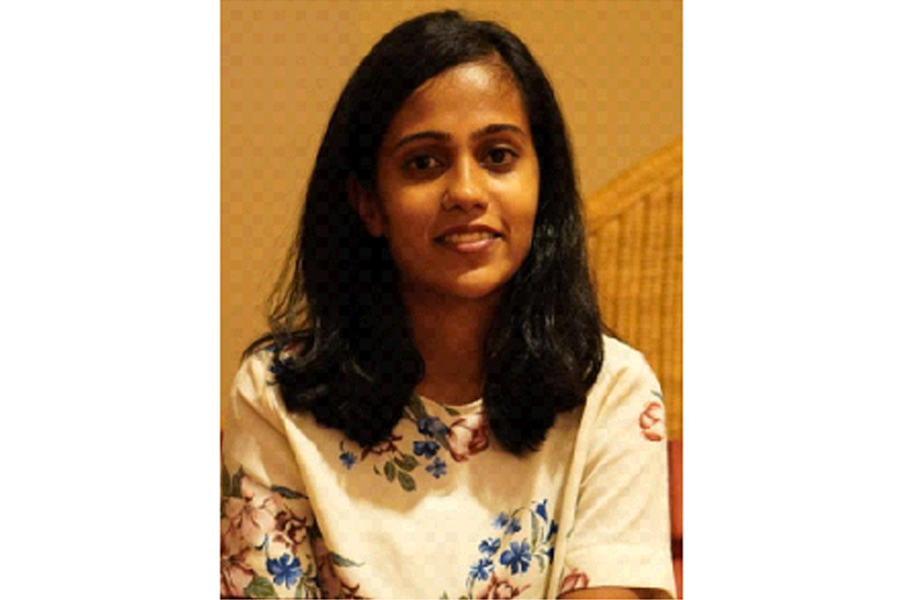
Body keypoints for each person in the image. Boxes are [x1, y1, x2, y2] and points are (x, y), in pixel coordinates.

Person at [221, 10, 675, 599]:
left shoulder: (612, 391)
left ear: (543, 183)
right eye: (424, 163)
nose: (466, 191)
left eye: (499, 156)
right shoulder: (274, 395)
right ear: (368, 202)